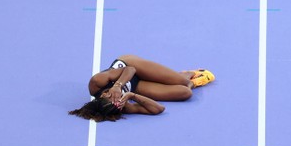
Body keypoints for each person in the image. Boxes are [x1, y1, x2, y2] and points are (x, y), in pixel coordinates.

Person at [69, 54, 214, 122]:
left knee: (182, 81)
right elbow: (158, 109)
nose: (119, 99)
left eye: (115, 96)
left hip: (132, 67)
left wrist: (118, 86)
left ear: (105, 93)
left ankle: (187, 74)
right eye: (120, 101)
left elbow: (130, 70)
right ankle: (189, 82)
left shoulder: (97, 82)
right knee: (185, 92)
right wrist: (133, 96)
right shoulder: (120, 105)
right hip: (136, 86)